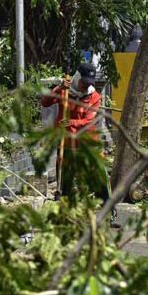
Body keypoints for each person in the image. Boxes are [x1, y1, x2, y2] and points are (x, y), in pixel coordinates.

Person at [40, 62, 107, 200]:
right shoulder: (65, 89)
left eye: (89, 83)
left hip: (86, 138)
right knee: (64, 165)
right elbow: (45, 102)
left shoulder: (94, 97)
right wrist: (59, 89)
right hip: (66, 138)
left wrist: (72, 122)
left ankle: (103, 198)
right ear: (77, 77)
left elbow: (88, 120)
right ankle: (63, 193)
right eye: (84, 82)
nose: (86, 86)